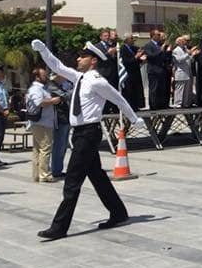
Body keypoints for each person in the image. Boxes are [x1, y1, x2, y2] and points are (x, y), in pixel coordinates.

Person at [31, 39, 144, 240]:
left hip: (88, 134)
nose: (78, 59)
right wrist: (43, 50)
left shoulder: (97, 81)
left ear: (93, 60)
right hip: (82, 133)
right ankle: (118, 213)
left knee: (72, 182)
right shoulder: (80, 78)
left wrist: (134, 119)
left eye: (82, 57)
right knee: (98, 178)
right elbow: (57, 65)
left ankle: (59, 227)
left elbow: (118, 99)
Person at [26, 67, 60, 183]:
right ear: (37, 77)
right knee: (45, 149)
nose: (46, 77)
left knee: (37, 149)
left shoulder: (41, 88)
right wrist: (53, 101)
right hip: (42, 123)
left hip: (42, 122)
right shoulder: (36, 89)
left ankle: (37, 174)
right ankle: (44, 175)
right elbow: (39, 103)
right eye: (44, 75)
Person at [46, 72, 72, 178]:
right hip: (59, 119)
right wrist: (74, 90)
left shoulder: (62, 85)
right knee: (58, 145)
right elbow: (65, 96)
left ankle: (58, 169)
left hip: (65, 118)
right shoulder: (51, 86)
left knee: (63, 145)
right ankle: (56, 170)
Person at [143, 30, 172, 110]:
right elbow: (151, 56)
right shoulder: (148, 45)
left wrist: (168, 51)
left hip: (161, 70)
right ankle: (153, 105)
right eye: (158, 35)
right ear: (153, 36)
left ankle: (161, 104)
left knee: (161, 89)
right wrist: (161, 50)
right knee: (154, 89)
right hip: (153, 70)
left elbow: (164, 57)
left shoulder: (160, 45)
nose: (160, 36)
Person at [171, 35, 198, 108]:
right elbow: (179, 60)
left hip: (188, 72)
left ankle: (186, 103)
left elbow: (189, 60)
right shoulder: (176, 50)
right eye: (183, 41)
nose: (185, 42)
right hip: (181, 72)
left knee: (187, 90)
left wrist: (192, 55)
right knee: (180, 89)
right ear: (178, 42)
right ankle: (178, 103)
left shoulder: (185, 49)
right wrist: (188, 53)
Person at [119, 35, 145, 110]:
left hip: (135, 72)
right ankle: (130, 106)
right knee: (129, 91)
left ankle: (136, 105)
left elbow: (137, 57)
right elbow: (126, 61)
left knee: (136, 90)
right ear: (126, 40)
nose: (133, 40)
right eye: (131, 39)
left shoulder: (132, 48)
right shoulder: (123, 48)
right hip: (128, 73)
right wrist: (136, 57)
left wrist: (141, 59)